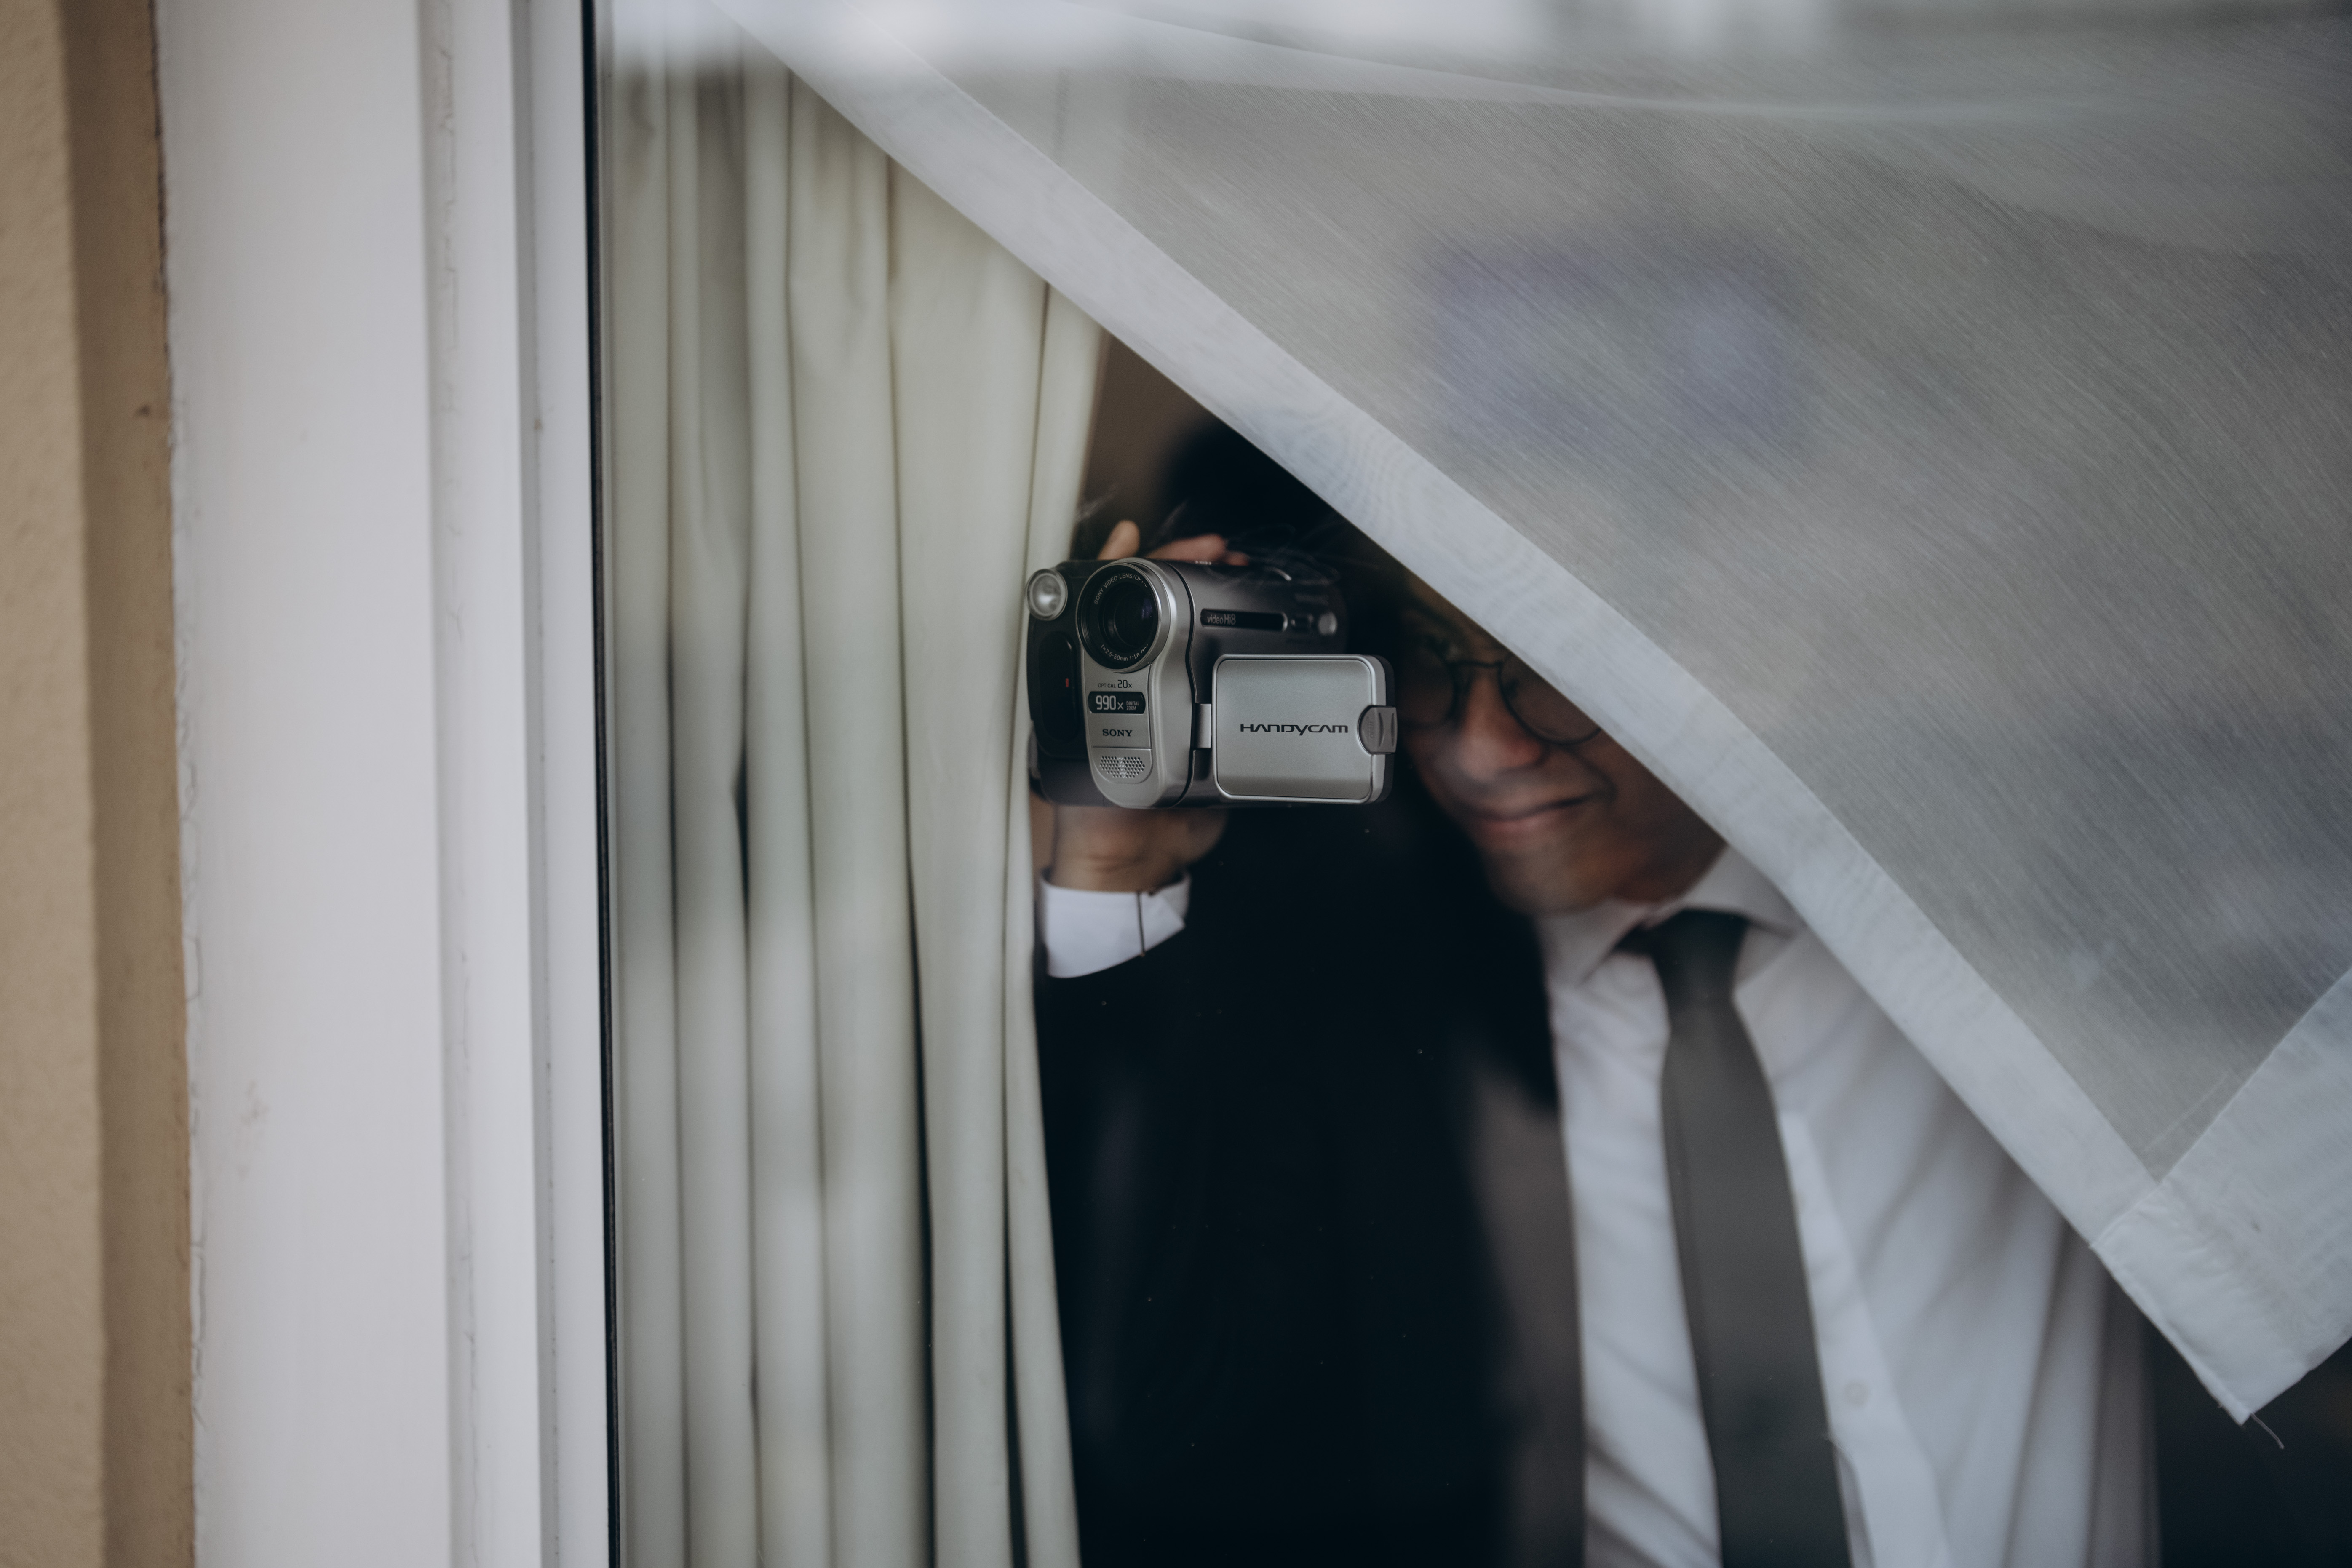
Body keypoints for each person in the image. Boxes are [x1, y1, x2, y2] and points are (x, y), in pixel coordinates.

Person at [1032, 437, 2336, 1566]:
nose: (1481, 747)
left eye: (1551, 667)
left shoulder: (2013, 918)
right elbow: (1154, 1403)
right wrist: (1112, 884)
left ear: (1742, 649)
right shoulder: (1381, 1004)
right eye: (1432, 662)